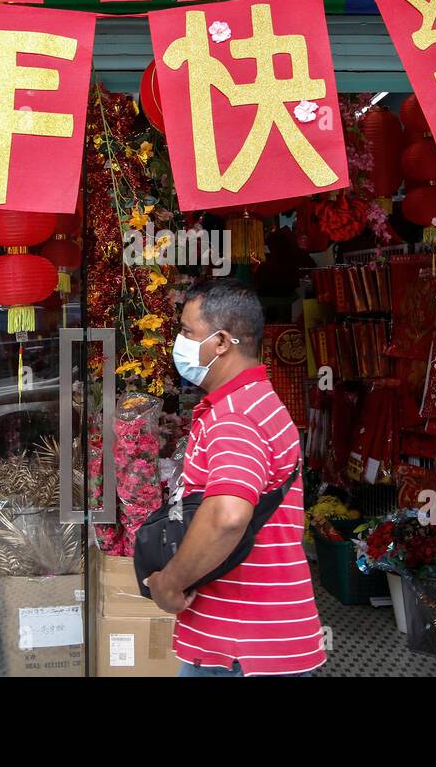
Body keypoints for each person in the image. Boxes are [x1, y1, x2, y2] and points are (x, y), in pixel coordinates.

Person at [144, 277, 326, 677]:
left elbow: (228, 515)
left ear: (222, 342)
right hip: (246, 642)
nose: (180, 343)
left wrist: (170, 583)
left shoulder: (236, 416)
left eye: (188, 333)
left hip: (242, 651)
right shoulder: (253, 401)